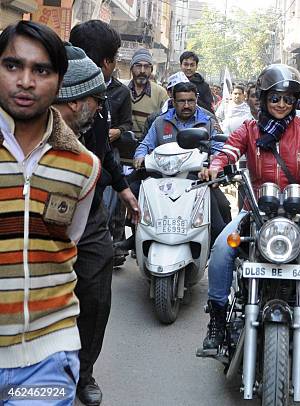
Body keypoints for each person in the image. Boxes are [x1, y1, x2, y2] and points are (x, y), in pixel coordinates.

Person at [199, 64, 300, 354]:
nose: (282, 104)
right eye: (275, 98)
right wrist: (214, 168)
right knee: (221, 252)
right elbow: (227, 152)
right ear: (263, 99)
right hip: (254, 211)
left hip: (298, 215)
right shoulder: (249, 129)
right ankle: (216, 319)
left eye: (289, 99)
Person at [0, 21, 100, 406]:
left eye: (41, 70)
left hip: (49, 351)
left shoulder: (83, 166)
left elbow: (63, 244)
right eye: (12, 66)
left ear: (59, 83)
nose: (25, 81)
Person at [69, 20, 140, 406]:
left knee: (96, 296)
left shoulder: (102, 102)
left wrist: (125, 189)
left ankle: (84, 373)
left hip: (92, 213)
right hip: (43, 215)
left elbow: (104, 152)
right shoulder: (47, 97)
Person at [127, 81, 230, 245]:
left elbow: (219, 147)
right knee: (133, 192)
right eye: (182, 101)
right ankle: (137, 238)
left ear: (196, 100)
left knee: (223, 206)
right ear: (173, 102)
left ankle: (222, 247)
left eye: (191, 100)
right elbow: (145, 144)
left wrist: (214, 162)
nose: (187, 105)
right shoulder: (160, 122)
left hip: (197, 180)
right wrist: (140, 157)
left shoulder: (208, 121)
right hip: (162, 180)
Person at [128, 48, 168, 141]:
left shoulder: (160, 93)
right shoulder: (122, 90)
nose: (142, 71)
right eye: (138, 66)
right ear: (131, 68)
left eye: (146, 67)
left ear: (151, 69)